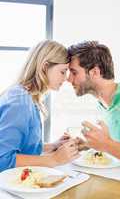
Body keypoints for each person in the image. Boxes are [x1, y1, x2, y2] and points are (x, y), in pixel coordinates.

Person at [0, 40, 79, 172]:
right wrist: (54, 159)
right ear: (44, 67)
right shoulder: (19, 103)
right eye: (63, 71)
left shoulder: (27, 97)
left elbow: (22, 146)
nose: (66, 78)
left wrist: (51, 147)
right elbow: (3, 159)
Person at [67, 41, 120, 165]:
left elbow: (109, 145)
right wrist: (90, 144)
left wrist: (106, 144)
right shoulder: (102, 105)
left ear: (95, 72)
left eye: (74, 72)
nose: (68, 79)